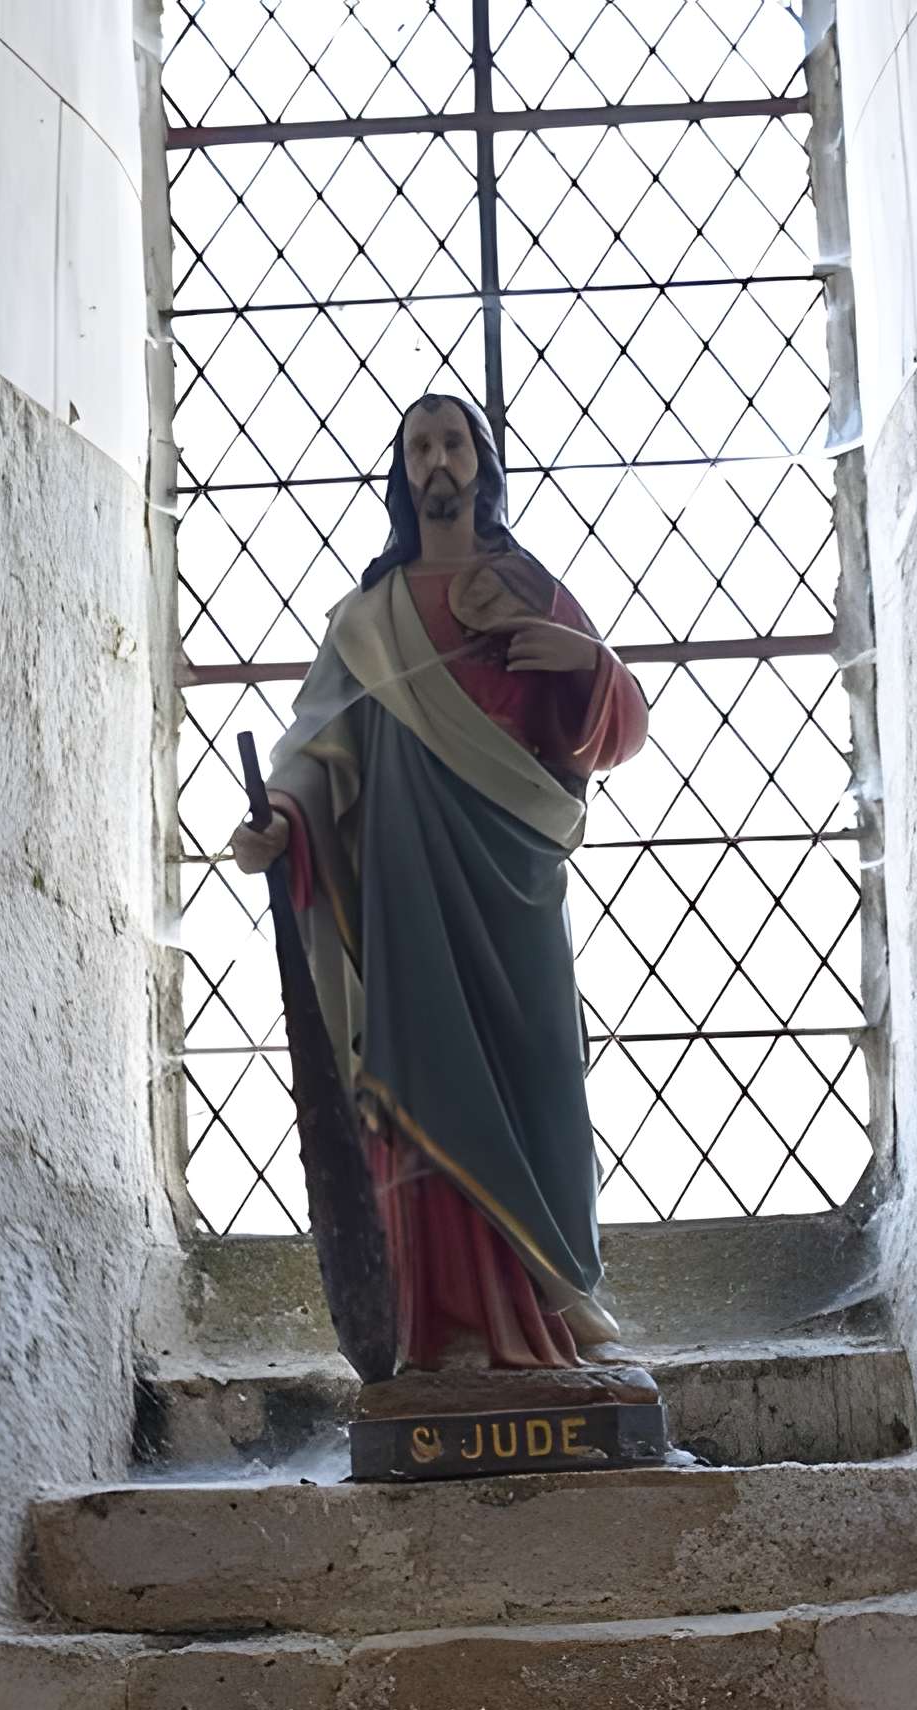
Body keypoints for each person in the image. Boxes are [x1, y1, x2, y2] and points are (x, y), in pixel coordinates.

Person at [230, 391, 648, 1372]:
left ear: (482, 461)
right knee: (423, 1085)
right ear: (402, 469)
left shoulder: (531, 586)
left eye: (453, 441)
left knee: (540, 1072)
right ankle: (448, 1332)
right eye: (421, 445)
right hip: (409, 891)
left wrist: (586, 664)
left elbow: (619, 722)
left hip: (514, 880)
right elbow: (313, 751)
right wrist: (281, 823)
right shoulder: (367, 618)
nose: (438, 459)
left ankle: (558, 1302)